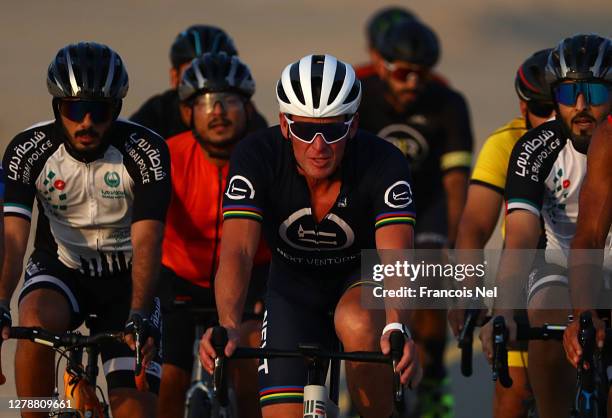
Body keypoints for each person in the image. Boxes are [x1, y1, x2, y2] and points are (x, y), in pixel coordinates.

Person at [199, 54, 421, 418]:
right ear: (285, 125)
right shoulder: (256, 155)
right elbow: (238, 249)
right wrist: (228, 323)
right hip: (292, 288)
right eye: (305, 130)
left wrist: (398, 324)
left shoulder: (385, 161)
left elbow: (397, 256)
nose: (319, 146)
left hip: (360, 277)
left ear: (353, 125)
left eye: (332, 130)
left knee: (359, 322)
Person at [0, 42, 171, 418]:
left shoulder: (146, 150)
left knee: (135, 412)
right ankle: (36, 411)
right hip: (63, 270)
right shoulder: (28, 150)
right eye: (75, 110)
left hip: (129, 280)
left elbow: (149, 240)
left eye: (99, 111)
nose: (86, 123)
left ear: (117, 110)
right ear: (57, 108)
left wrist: (140, 311)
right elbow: (13, 238)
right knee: (34, 322)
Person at [479, 34, 612, 418]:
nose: (582, 106)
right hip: (557, 260)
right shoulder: (534, 148)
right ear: (555, 99)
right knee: (549, 312)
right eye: (571, 95)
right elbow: (520, 237)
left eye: (595, 94)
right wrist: (502, 310)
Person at [359, 17, 473, 417]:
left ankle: (435, 374)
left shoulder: (448, 102)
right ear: (381, 65)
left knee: (428, 274)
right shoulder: (360, 94)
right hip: (369, 204)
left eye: (422, 74)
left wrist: (456, 243)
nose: (413, 83)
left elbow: (457, 182)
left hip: (426, 205)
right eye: (403, 73)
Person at [158, 51, 269, 418]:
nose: (218, 111)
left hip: (253, 279)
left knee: (251, 377)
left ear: (248, 109)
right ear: (187, 112)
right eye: (205, 102)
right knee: (168, 382)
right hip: (179, 280)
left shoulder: (269, 157)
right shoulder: (167, 157)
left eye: (229, 100)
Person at [449, 48, 554, 418]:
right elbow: (475, 226)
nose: (555, 118)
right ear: (523, 108)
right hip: (526, 274)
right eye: (543, 107)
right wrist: (467, 290)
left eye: (563, 104)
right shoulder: (506, 143)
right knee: (514, 390)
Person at [130, 24, 267, 139]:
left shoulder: (249, 121)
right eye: (193, 71)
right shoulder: (154, 116)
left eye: (217, 69)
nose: (207, 77)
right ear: (174, 77)